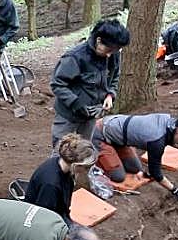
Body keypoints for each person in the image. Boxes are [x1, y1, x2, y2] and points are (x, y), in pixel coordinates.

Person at [49, 17, 131, 145]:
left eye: (114, 51)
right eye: (108, 50)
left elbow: (114, 77)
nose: (110, 55)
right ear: (99, 41)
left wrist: (110, 95)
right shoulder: (75, 57)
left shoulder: (113, 54)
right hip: (68, 116)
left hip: (91, 114)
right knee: (61, 151)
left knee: (84, 151)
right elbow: (57, 84)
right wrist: (76, 103)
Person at [93, 108, 178, 202]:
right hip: (100, 134)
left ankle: (113, 152)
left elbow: (154, 163)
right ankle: (97, 162)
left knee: (135, 168)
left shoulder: (169, 121)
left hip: (119, 138)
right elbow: (156, 174)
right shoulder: (157, 140)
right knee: (118, 176)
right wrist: (175, 190)